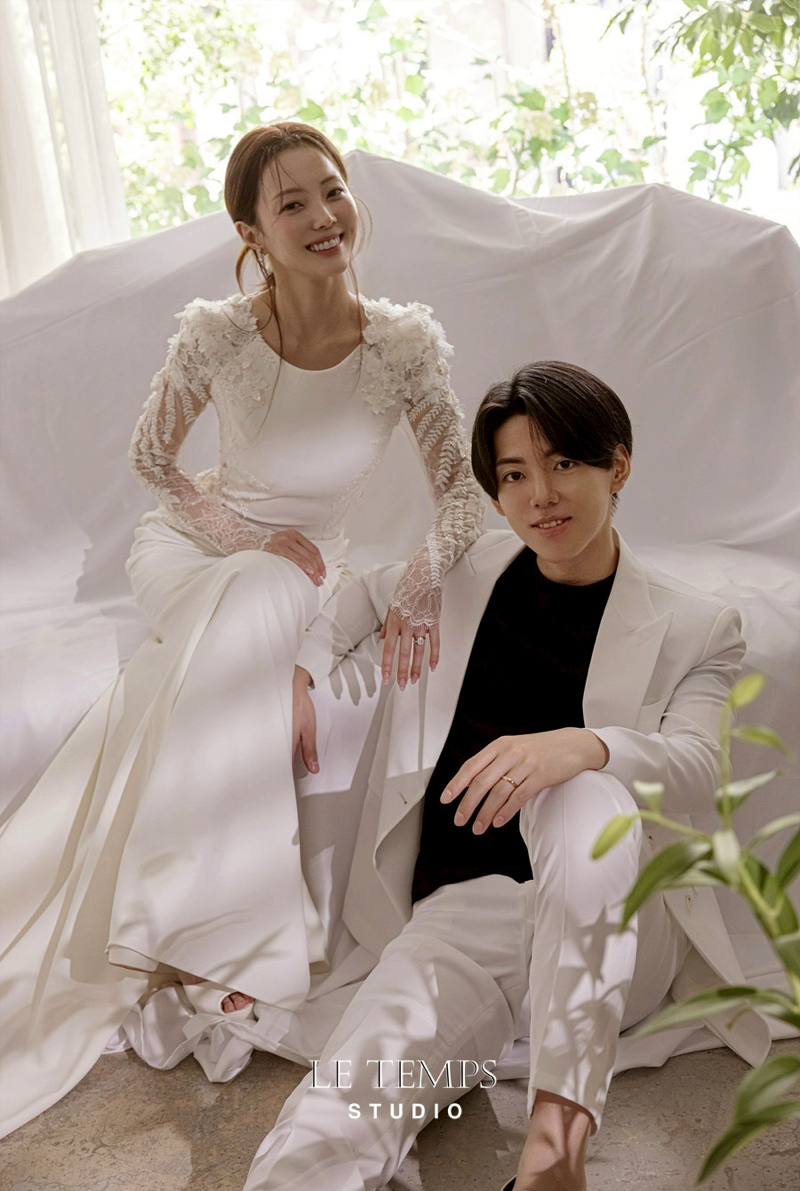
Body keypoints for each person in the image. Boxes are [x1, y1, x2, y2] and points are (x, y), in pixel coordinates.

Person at [0, 122, 484, 1138]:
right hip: (193, 550)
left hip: (306, 571)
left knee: (271, 590)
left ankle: (177, 927)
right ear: (251, 233)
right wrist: (244, 538)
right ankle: (222, 937)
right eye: (291, 203)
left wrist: (415, 585)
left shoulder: (401, 345)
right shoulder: (219, 333)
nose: (323, 216)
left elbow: (459, 496)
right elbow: (152, 460)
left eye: (333, 190)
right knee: (261, 583)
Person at [238, 362, 770, 1191]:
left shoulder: (698, 625)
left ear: (617, 466)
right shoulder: (463, 571)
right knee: (336, 1115)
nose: (539, 496)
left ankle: (554, 1158)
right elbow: (360, 599)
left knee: (580, 794)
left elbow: (700, 771)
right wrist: (301, 673)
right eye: (514, 475)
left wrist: (584, 748)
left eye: (563, 464)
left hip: (619, 927)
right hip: (464, 917)